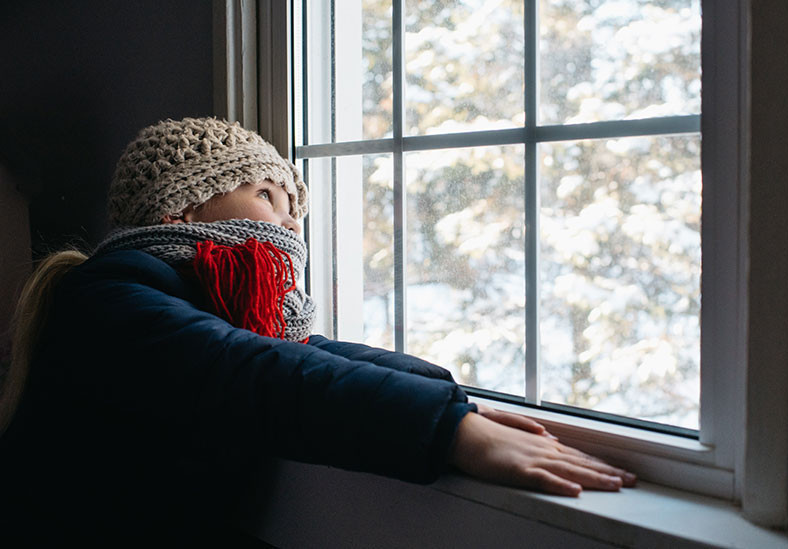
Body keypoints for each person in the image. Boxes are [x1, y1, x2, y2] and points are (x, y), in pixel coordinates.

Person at [0, 117, 635, 544]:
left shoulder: (210, 308)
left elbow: (308, 352)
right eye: (269, 196)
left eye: (296, 207)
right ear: (186, 207)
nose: (292, 224)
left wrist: (458, 402)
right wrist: (449, 431)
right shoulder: (110, 302)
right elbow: (260, 373)